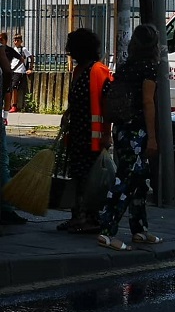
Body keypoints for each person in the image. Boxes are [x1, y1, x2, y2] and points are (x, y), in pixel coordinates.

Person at [97, 24, 161, 251]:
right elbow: (147, 102)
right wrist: (152, 137)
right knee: (124, 180)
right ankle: (106, 230)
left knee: (139, 180)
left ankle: (139, 229)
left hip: (121, 128)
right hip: (137, 132)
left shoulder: (125, 67)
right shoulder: (149, 69)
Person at [59, 28, 112, 233]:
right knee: (78, 177)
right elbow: (76, 99)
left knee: (92, 180)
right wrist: (67, 113)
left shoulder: (98, 70)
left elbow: (106, 104)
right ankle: (77, 217)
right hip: (78, 133)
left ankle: (91, 219)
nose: (68, 51)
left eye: (71, 47)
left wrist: (106, 134)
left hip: (93, 136)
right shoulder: (78, 70)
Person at [0, 32, 27, 225]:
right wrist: (6, 91)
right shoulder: (1, 50)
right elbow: (8, 72)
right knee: (2, 161)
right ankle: (5, 208)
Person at [9, 34, 33, 113]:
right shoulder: (13, 49)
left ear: (21, 41)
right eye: (14, 40)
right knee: (9, 88)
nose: (15, 42)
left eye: (17, 40)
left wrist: (30, 68)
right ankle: (9, 105)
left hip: (19, 71)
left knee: (14, 87)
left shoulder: (23, 49)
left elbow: (31, 57)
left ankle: (14, 105)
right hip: (12, 70)